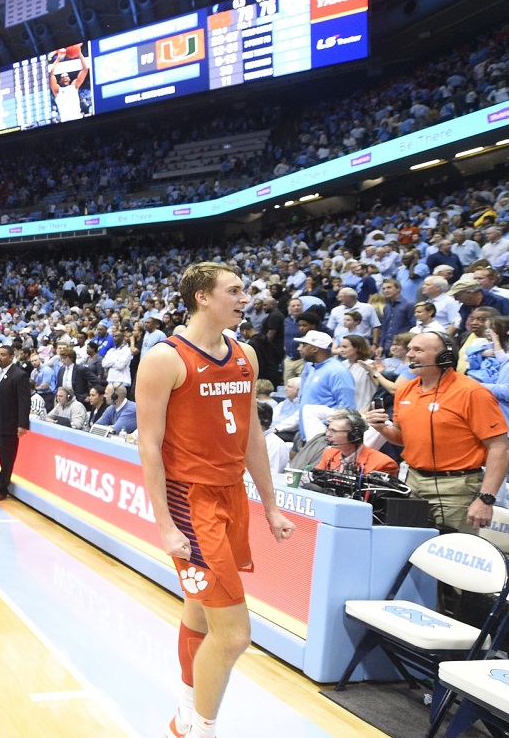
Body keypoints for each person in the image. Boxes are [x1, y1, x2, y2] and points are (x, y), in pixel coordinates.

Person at [137, 262, 294, 738]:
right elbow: (148, 445)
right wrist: (165, 524)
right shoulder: (165, 357)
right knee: (234, 636)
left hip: (233, 496)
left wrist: (269, 506)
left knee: (198, 612)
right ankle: (198, 730)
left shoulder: (245, 353)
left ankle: (185, 714)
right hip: (192, 502)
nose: (245, 298)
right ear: (202, 297)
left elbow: (251, 437)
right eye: (235, 290)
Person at [365, 331, 509, 534]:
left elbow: (499, 447)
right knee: (410, 551)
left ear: (444, 357)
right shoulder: (406, 391)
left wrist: (486, 498)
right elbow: (402, 437)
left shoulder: (472, 393)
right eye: (410, 349)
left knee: (453, 557)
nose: (410, 355)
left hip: (457, 489)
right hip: (413, 483)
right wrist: (383, 428)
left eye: (418, 350)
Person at [0, 344, 32, 502]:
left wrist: (22, 424)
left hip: (8, 424)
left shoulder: (19, 375)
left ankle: (2, 489)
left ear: (11, 357)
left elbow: (24, 402)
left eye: (3, 354)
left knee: (6, 459)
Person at [294, 330, 356, 440]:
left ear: (315, 348)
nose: (300, 348)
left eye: (304, 345)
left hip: (325, 437)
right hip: (308, 437)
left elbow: (347, 409)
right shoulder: (313, 368)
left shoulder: (338, 371)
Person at [317, 410, 398, 475]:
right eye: (328, 429)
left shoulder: (383, 464)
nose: (328, 434)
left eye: (334, 431)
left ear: (354, 435)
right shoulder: (329, 454)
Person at [48, 45, 89, 123]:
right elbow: (50, 75)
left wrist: (79, 53)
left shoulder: (74, 85)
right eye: (62, 77)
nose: (65, 78)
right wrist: (58, 59)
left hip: (78, 118)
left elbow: (85, 69)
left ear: (70, 79)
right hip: (65, 122)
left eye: (66, 76)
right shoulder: (57, 90)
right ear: (59, 81)